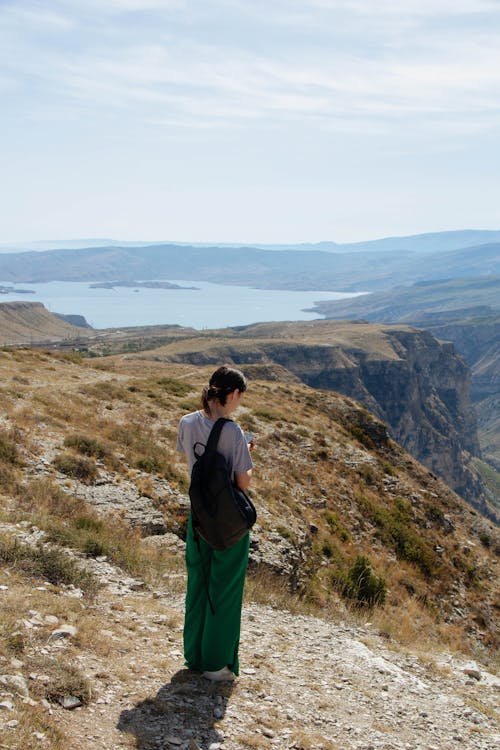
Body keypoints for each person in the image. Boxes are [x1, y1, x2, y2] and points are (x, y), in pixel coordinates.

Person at [176, 365, 254, 682]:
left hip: (199, 515)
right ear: (232, 394)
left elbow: (192, 462)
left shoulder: (187, 422)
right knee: (225, 588)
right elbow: (243, 482)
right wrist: (247, 452)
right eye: (239, 398)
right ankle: (216, 665)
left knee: (199, 584)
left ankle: (194, 656)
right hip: (227, 520)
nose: (238, 404)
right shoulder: (233, 432)